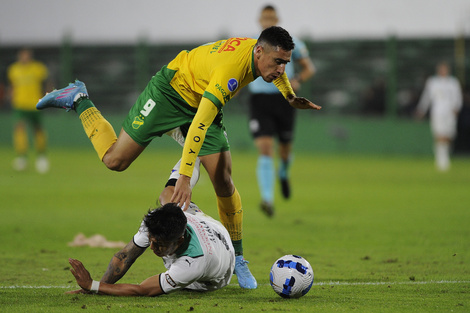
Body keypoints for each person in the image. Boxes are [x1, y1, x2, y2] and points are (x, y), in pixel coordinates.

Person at [37, 26, 321, 289]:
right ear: (259, 51)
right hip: (168, 94)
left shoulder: (261, 55)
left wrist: (289, 95)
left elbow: (274, 72)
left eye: (285, 62)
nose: (281, 68)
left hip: (201, 98)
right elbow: (198, 124)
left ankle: (240, 257)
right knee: (115, 161)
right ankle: (78, 98)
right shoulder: (230, 73)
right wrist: (184, 177)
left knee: (223, 179)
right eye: (277, 62)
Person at [68, 171, 235, 296]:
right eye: (151, 241)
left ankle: (239, 260)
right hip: (210, 224)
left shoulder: (192, 263)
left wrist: (93, 285)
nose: (152, 247)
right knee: (167, 196)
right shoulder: (155, 221)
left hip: (219, 270)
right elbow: (126, 255)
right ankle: (193, 158)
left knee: (179, 285)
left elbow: (143, 290)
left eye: (160, 245)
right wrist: (93, 289)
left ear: (179, 241)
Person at [248, 5, 316, 217]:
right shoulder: (253, 45)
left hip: (284, 98)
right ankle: (267, 199)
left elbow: (309, 68)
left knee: (284, 151)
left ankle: (284, 172)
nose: (267, 20)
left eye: (271, 17)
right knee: (266, 148)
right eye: (264, 17)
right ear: (259, 20)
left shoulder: (291, 43)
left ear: (277, 19)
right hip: (259, 100)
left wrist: (297, 80)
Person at [7, 48, 50, 173]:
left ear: (30, 56)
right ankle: (22, 158)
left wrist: (46, 97)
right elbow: (12, 86)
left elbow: (46, 83)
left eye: (27, 55)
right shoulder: (13, 70)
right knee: (19, 129)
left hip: (34, 104)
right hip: (19, 104)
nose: (24, 57)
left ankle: (41, 157)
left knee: (38, 130)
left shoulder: (38, 68)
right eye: (22, 55)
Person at [415, 61, 463, 171]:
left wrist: (456, 108)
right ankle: (441, 160)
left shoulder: (453, 82)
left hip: (450, 113)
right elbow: (426, 97)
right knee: (439, 134)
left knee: (448, 136)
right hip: (437, 112)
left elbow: (458, 97)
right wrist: (421, 110)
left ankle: (445, 156)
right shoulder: (432, 82)